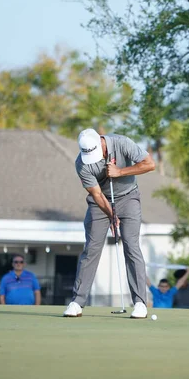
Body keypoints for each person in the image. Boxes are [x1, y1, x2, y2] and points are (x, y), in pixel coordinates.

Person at [64, 129, 155, 319]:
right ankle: (77, 302)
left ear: (101, 142)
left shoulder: (122, 143)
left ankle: (139, 303)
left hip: (129, 197)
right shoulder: (82, 164)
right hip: (101, 203)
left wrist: (120, 171)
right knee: (91, 249)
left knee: (131, 246)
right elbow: (96, 194)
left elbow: (149, 164)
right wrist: (112, 216)